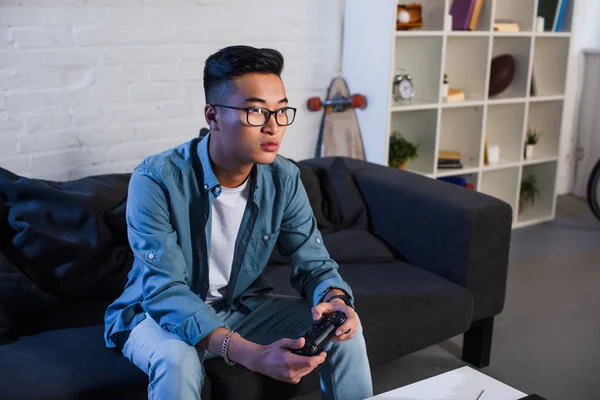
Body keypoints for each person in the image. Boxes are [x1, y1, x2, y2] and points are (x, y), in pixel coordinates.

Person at [104, 45, 373, 400]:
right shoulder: (155, 179)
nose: (273, 127)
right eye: (256, 112)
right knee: (177, 360)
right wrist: (254, 355)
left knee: (342, 331)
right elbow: (165, 291)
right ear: (213, 116)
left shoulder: (285, 178)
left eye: (280, 112)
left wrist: (336, 300)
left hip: (239, 307)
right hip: (154, 314)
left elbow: (314, 264)